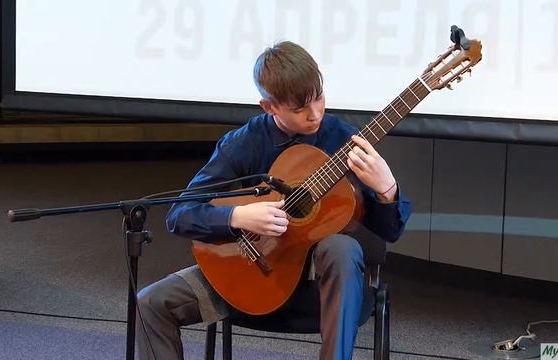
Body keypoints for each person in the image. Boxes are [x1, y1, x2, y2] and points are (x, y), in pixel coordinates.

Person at [136, 41, 411, 360]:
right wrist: (237, 217)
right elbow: (180, 215)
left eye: (319, 99)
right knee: (150, 304)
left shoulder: (343, 139)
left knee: (341, 247)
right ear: (269, 107)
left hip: (321, 288)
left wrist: (387, 189)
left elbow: (391, 231)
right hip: (254, 273)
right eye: (299, 109)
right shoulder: (244, 143)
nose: (315, 113)